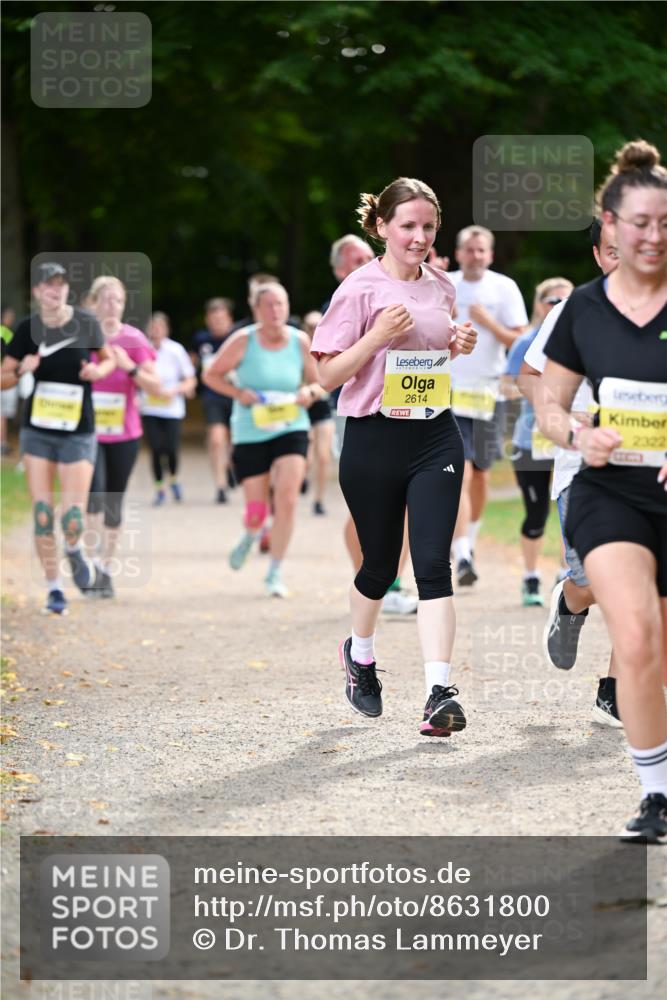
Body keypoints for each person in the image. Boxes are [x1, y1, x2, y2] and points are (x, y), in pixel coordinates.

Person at [534, 140, 667, 842]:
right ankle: (656, 794)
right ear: (610, 225)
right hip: (607, 493)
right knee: (637, 636)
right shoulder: (580, 311)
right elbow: (547, 408)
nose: (652, 236)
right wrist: (575, 435)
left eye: (664, 222)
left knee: (661, 647)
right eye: (639, 222)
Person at [311, 177, 477, 734]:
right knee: (380, 567)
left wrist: (454, 345)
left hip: (435, 435)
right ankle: (360, 657)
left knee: (432, 563)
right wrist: (377, 335)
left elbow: (430, 358)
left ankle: (438, 691)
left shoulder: (442, 286)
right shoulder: (359, 289)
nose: (419, 236)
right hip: (373, 438)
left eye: (429, 226)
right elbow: (328, 374)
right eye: (408, 225)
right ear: (381, 227)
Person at [519, 220, 622, 728]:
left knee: (644, 585)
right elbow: (529, 376)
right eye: (612, 251)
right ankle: (571, 600)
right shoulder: (572, 311)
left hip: (649, 466)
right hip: (580, 466)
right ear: (598, 256)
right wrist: (564, 418)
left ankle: (614, 690)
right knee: (593, 578)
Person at [0, 262, 114, 614]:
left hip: (78, 431)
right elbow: (3, 377)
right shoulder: (26, 329)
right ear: (36, 292)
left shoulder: (86, 323)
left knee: (72, 516)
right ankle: (54, 588)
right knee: (43, 513)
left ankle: (75, 549)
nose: (55, 290)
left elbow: (108, 359)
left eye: (61, 285)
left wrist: (98, 370)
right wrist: (21, 369)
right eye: (48, 286)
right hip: (39, 432)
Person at [203, 281, 323, 598]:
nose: (275, 311)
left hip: (291, 427)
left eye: (281, 304)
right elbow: (210, 375)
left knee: (287, 501)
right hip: (251, 430)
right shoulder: (243, 341)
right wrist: (237, 393)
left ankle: (274, 571)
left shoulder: (299, 341)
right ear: (256, 310)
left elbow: (321, 381)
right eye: (268, 305)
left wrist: (309, 393)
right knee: (257, 509)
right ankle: (251, 532)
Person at [325, 235, 419, 614]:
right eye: (353, 260)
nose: (364, 264)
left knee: (410, 503)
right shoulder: (342, 299)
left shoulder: (392, 290)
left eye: (367, 257)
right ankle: (370, 580)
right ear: (338, 269)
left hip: (405, 411)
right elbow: (329, 370)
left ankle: (389, 583)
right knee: (369, 508)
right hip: (356, 416)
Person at [448, 225, 529, 586]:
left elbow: (522, 341)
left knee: (480, 474)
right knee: (460, 473)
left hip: (489, 395)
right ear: (459, 252)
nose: (475, 256)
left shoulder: (504, 288)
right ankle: (462, 552)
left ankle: (471, 539)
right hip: (448, 392)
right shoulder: (444, 283)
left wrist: (489, 323)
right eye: (469, 250)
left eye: (482, 250)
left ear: (490, 255)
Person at [84, 276, 160, 597]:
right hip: (86, 430)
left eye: (117, 300)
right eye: (105, 299)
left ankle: (104, 568)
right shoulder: (81, 336)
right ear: (93, 303)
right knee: (93, 498)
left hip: (124, 432)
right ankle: (89, 563)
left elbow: (156, 387)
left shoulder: (134, 339)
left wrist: (129, 368)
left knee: (113, 499)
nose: (111, 305)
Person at [504, 277, 574, 606]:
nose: (558, 306)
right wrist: (547, 398)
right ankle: (530, 577)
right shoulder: (525, 342)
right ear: (539, 304)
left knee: (569, 510)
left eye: (566, 301)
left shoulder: (581, 337)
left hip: (566, 440)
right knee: (536, 514)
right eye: (552, 301)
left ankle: (566, 574)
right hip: (530, 440)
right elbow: (509, 385)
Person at [142, 312, 197, 505]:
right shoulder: (142, 349)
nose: (155, 331)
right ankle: (159, 488)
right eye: (152, 327)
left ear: (166, 329)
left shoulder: (176, 350)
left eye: (159, 327)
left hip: (172, 408)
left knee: (171, 449)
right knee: (156, 448)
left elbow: (190, 379)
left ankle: (173, 478)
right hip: (149, 407)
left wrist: (175, 390)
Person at [190, 298, 236, 503]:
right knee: (217, 439)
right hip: (213, 396)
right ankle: (220, 486)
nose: (217, 322)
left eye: (221, 318)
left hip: (237, 394)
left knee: (234, 442)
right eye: (213, 319)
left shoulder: (238, 338)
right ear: (208, 320)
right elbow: (190, 363)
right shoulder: (201, 339)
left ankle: (230, 467)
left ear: (229, 319)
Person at [302, 309, 334, 515]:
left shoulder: (330, 346)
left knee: (323, 456)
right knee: (307, 456)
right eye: (310, 326)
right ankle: (302, 477)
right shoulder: (298, 347)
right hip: (302, 407)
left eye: (317, 325)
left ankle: (319, 499)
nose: (314, 330)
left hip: (323, 407)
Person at [1, 305, 17, 455]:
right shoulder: (6, 333)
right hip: (3, 376)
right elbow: (14, 356)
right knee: (2, 413)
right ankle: (2, 443)